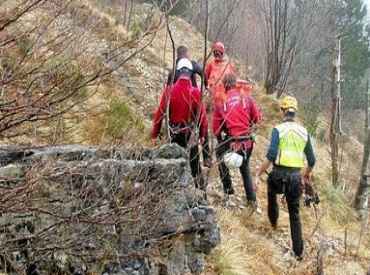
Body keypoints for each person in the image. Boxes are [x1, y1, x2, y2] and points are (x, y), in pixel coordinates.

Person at [256, 95, 316, 260]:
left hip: (278, 175)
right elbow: (312, 160)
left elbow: (271, 155)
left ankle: (273, 221)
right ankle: (298, 253)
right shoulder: (304, 132)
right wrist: (305, 174)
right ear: (295, 112)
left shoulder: (278, 130)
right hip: (296, 178)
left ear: (282, 111)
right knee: (294, 214)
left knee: (271, 190)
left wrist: (258, 173)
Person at [151, 75, 209, 190]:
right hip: (189, 135)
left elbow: (159, 114)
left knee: (172, 164)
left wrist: (155, 134)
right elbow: (203, 118)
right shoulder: (196, 92)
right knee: (195, 166)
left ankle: (172, 190)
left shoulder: (169, 91)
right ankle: (202, 195)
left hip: (173, 135)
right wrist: (203, 135)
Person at [213, 73, 262, 206]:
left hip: (232, 142)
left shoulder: (221, 103)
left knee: (219, 154)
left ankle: (228, 191)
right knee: (245, 168)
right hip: (247, 143)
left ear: (224, 86)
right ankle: (252, 201)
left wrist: (221, 140)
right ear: (236, 84)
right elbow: (256, 119)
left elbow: (216, 130)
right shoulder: (247, 98)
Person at [205, 42, 236, 107]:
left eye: (218, 52)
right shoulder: (211, 63)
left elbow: (233, 81)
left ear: (222, 53)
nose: (216, 54)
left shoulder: (228, 64)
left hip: (224, 97)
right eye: (215, 52)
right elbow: (205, 76)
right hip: (212, 96)